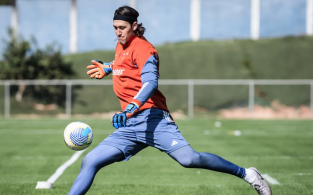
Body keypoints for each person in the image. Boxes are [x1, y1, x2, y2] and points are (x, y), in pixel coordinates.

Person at [68, 5, 272, 195]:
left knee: (190, 159)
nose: (118, 32)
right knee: (91, 161)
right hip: (131, 124)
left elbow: (150, 83)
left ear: (135, 26)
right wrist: (109, 67)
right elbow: (125, 63)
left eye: (122, 27)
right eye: (115, 28)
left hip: (153, 118)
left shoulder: (145, 48)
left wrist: (130, 108)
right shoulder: (122, 46)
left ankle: (248, 174)